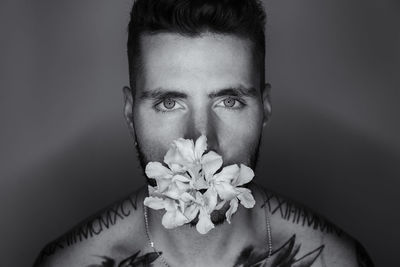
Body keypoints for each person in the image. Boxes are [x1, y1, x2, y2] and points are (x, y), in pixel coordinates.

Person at [34, 0, 374, 266]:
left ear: (265, 108)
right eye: (169, 103)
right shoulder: (70, 263)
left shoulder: (335, 259)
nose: (202, 143)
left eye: (229, 101)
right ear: (129, 112)